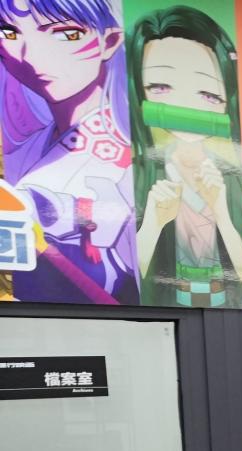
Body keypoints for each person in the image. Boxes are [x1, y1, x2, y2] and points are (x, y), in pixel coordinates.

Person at [0, 0, 139, 305]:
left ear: (110, 41)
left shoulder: (132, 156)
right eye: (10, 33)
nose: (31, 56)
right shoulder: (27, 148)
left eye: (66, 34)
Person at [128, 5, 242, 308]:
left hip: (227, 312)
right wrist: (153, 223)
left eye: (208, 94)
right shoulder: (137, 174)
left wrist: (221, 212)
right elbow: (126, 281)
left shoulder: (233, 175)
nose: (185, 107)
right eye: (160, 87)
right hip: (163, 315)